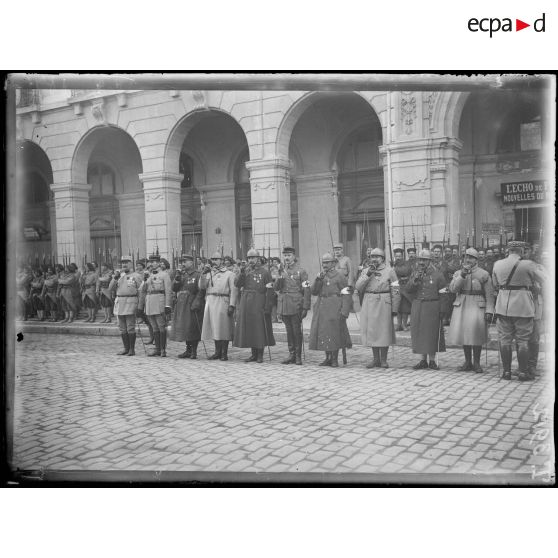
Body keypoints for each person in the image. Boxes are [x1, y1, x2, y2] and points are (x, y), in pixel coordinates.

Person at [492, 240, 545, 381]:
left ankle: (507, 372)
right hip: (523, 306)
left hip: (503, 306)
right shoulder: (529, 264)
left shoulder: (497, 264)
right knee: (523, 340)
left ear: (508, 250)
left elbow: (495, 284)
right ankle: (522, 373)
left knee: (505, 339)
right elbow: (545, 279)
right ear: (521, 250)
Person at [448, 248, 495, 373]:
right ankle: (467, 362)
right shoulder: (458, 273)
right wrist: (462, 275)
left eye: (471, 257)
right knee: (465, 334)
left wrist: (489, 310)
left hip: (477, 303)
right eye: (466, 257)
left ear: (476, 259)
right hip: (462, 303)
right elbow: (453, 289)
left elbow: (489, 294)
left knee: (476, 333)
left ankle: (477, 363)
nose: (468, 260)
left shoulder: (483, 274)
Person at [356, 248, 399, 368]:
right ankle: (376, 359)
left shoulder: (390, 271)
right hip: (369, 301)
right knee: (372, 331)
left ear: (383, 259)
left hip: (384, 301)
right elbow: (358, 286)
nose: (374, 259)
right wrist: (368, 273)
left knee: (384, 331)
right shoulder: (365, 271)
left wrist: (395, 307)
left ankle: (384, 360)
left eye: (377, 257)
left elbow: (396, 290)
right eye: (372, 257)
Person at [403, 249, 447, 370]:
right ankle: (423, 360)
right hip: (419, 305)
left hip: (432, 306)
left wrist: (443, 309)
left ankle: (432, 360)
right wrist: (415, 280)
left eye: (425, 260)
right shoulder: (415, 273)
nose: (422, 262)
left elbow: (444, 293)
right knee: (420, 333)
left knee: (432, 333)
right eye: (420, 260)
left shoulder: (438, 274)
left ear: (430, 261)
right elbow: (408, 289)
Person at [308, 253, 352, 367]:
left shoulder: (340, 276)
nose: (324, 265)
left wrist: (345, 311)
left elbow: (347, 294)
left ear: (333, 263)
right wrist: (318, 279)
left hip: (335, 306)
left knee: (334, 333)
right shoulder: (321, 276)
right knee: (323, 332)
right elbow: (313, 291)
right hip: (322, 307)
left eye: (327, 262)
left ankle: (334, 359)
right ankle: (327, 357)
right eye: (323, 262)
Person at [233, 248, 276, 363]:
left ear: (258, 258)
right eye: (249, 258)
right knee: (250, 327)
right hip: (246, 302)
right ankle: (253, 354)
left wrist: (268, 306)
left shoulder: (265, 272)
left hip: (259, 301)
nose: (251, 260)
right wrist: (241, 273)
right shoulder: (245, 271)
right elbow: (237, 284)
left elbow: (270, 290)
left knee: (259, 327)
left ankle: (260, 354)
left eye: (253, 258)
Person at [274, 246, 311, 365]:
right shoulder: (281, 271)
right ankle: (291, 355)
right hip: (284, 304)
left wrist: (306, 307)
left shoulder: (302, 271)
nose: (287, 258)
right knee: (289, 331)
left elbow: (307, 289)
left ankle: (298, 356)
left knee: (296, 332)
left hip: (296, 305)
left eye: (289, 255)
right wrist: (279, 276)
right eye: (285, 255)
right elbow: (276, 288)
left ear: (294, 256)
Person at [200, 251, 238, 361]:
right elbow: (202, 287)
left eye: (216, 259)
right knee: (214, 327)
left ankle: (224, 353)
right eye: (213, 259)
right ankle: (217, 351)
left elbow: (234, 290)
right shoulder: (209, 273)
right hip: (211, 301)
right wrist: (203, 273)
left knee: (223, 327)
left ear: (222, 260)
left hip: (223, 300)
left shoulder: (229, 274)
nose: (214, 262)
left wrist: (232, 304)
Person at [171, 254, 205, 359]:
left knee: (193, 327)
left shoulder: (198, 274)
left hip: (192, 302)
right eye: (182, 262)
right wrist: (176, 279)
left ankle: (194, 351)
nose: (183, 264)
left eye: (185, 262)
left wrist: (197, 301)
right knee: (185, 327)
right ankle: (188, 350)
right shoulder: (182, 275)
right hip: (182, 303)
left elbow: (201, 289)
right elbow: (174, 289)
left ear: (191, 262)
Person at [140, 256, 172, 357]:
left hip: (159, 302)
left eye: (155, 262)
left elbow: (168, 291)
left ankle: (163, 349)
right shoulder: (148, 275)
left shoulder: (164, 275)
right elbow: (142, 290)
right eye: (151, 262)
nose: (153, 263)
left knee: (161, 326)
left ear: (159, 263)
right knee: (154, 327)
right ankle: (157, 349)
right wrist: (144, 280)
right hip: (149, 302)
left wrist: (167, 305)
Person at [111, 255, 143, 356]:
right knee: (122, 327)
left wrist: (140, 306)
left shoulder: (136, 276)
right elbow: (110, 288)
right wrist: (115, 278)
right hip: (120, 302)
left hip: (131, 301)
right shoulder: (119, 276)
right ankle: (126, 348)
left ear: (131, 263)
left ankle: (132, 349)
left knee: (130, 327)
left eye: (126, 262)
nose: (124, 264)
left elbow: (141, 291)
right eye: (122, 262)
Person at [392, 247, 412, 330]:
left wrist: (394, 269)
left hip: (404, 287)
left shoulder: (406, 263)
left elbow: (405, 271)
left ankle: (404, 325)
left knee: (405, 307)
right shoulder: (393, 264)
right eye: (396, 256)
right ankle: (398, 324)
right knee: (397, 306)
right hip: (396, 287)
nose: (398, 258)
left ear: (402, 256)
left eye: (399, 256)